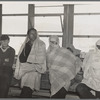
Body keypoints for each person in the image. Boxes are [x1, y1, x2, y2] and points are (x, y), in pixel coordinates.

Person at [14, 28, 46, 98]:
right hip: (25, 69)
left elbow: (42, 59)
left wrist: (32, 64)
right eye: (31, 34)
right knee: (26, 88)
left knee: (28, 87)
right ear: (28, 35)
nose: (34, 35)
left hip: (36, 69)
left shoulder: (41, 44)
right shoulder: (26, 45)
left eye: (35, 33)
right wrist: (27, 64)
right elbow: (21, 58)